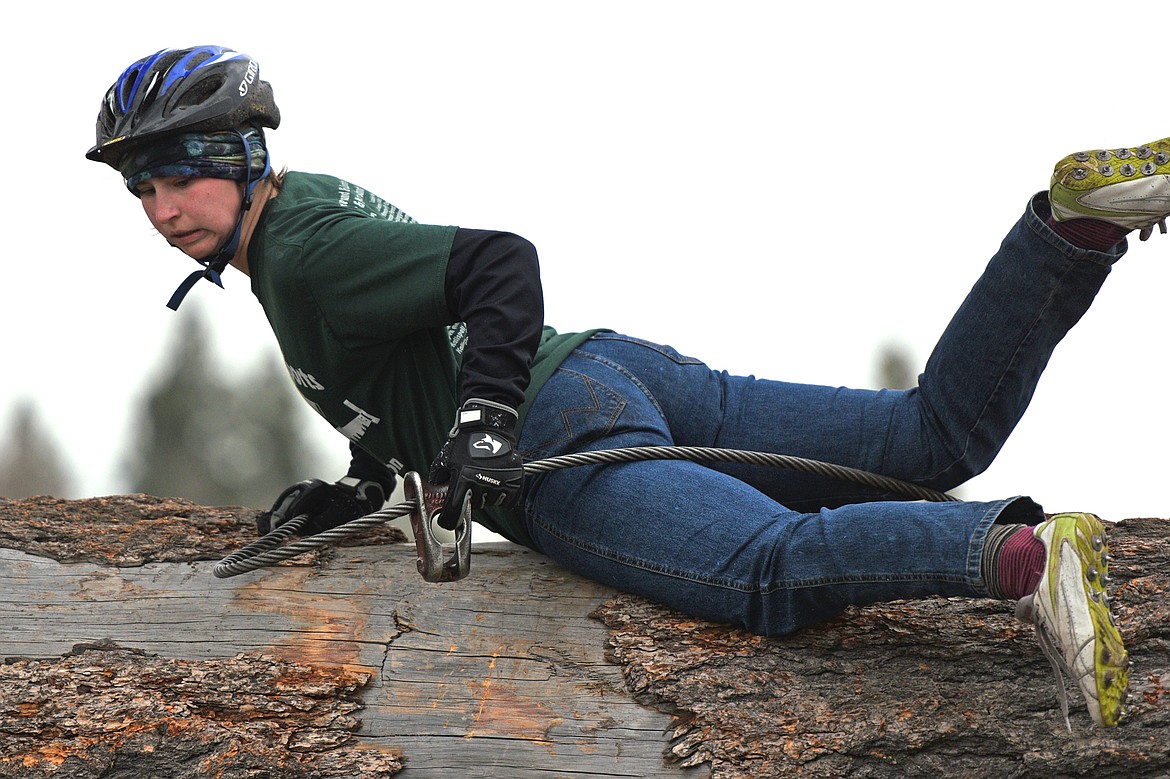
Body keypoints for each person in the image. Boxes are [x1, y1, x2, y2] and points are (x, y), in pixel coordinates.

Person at [86, 45, 1145, 729]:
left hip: (559, 432)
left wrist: (487, 424)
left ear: (235, 152)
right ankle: (1072, 227)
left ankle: (1020, 554)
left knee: (764, 572)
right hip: (606, 369)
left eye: (180, 175)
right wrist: (366, 477)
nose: (163, 207)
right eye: (143, 187)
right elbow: (402, 346)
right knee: (930, 434)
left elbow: (500, 265)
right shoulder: (302, 223)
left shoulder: (305, 251)